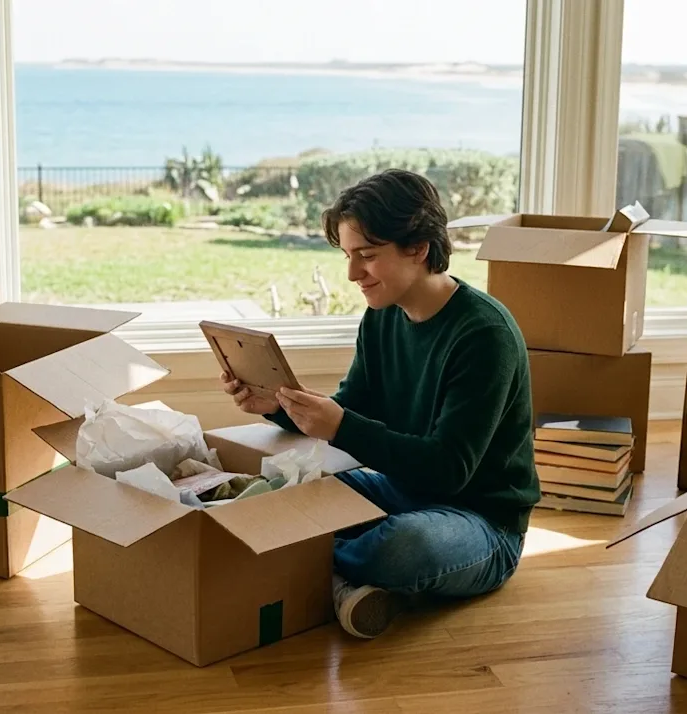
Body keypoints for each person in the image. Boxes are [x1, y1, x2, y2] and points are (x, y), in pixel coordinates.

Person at [220, 168, 540, 639]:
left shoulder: (484, 335)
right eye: (349, 256)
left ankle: (303, 562)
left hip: (481, 522)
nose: (352, 274)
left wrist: (342, 425)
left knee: (404, 548)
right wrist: (275, 404)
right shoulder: (381, 316)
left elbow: (449, 470)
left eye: (367, 256)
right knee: (289, 488)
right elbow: (352, 408)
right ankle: (338, 577)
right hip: (399, 490)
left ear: (418, 247)